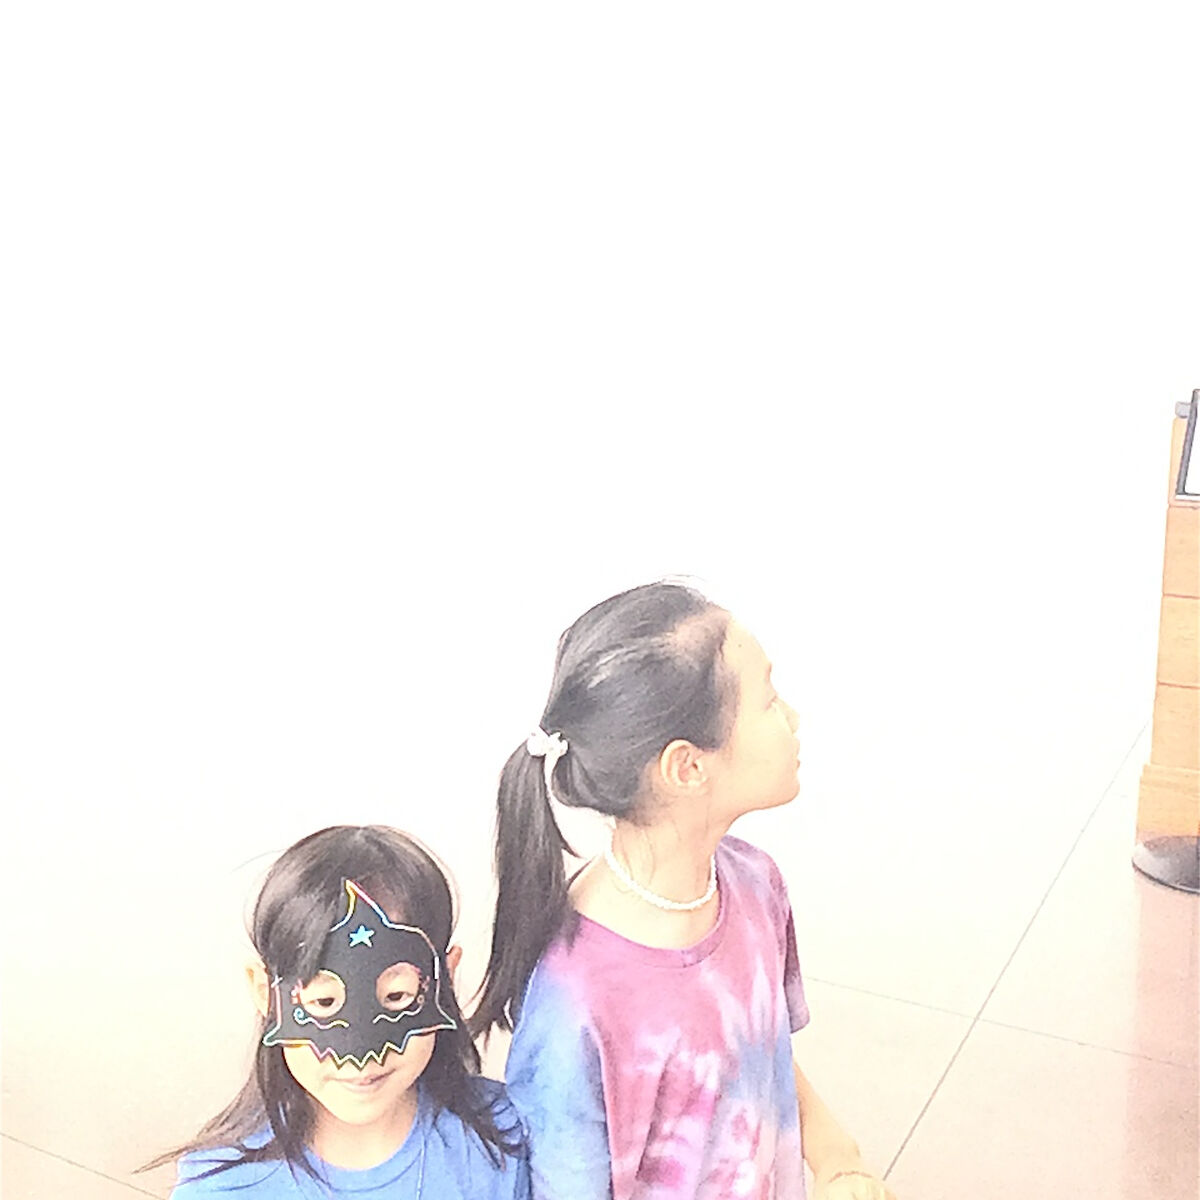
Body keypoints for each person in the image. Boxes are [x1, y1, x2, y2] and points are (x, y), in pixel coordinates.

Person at [471, 581, 896, 1200]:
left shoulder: (755, 882)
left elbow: (758, 1054)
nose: (793, 717)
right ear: (687, 766)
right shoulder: (574, 1001)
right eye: (769, 701)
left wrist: (837, 1156)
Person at [148, 825, 529, 1199]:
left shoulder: (505, 1141)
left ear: (443, 979)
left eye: (397, 996)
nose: (362, 1057)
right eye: (323, 1003)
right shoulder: (222, 1187)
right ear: (266, 993)